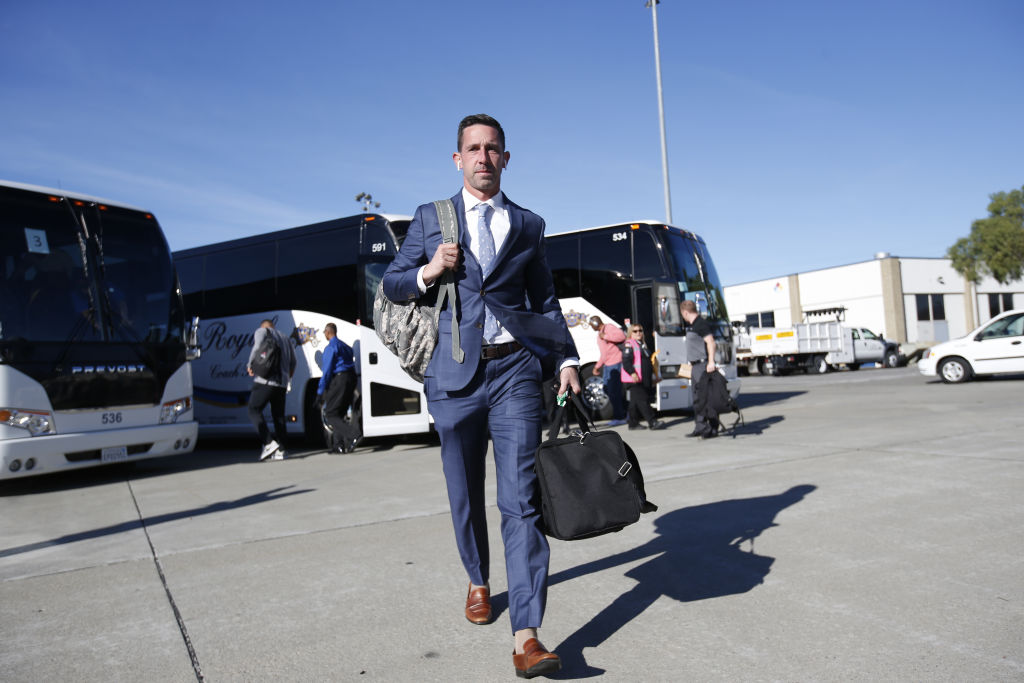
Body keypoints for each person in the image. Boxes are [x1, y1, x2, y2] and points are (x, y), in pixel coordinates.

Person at [381, 114, 580, 679]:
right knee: (464, 490)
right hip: (454, 374)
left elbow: (543, 299)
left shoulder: (528, 224)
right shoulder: (430, 219)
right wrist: (428, 269)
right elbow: (392, 284)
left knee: (521, 499)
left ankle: (527, 635)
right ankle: (477, 577)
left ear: (506, 159)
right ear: (457, 159)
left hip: (515, 370)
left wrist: (565, 359)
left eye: (493, 149)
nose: (483, 158)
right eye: (473, 149)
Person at [247, 319, 296, 461]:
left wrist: (250, 365)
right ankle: (282, 450)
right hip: (281, 384)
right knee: (278, 416)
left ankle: (268, 442)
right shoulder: (286, 338)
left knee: (253, 409)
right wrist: (286, 379)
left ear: (264, 326)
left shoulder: (262, 331)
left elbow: (257, 348)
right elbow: (293, 363)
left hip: (266, 380)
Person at [317, 322, 361, 454]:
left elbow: (327, 371)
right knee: (339, 413)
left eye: (324, 332)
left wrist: (320, 392)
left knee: (330, 414)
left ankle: (354, 434)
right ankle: (339, 446)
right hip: (351, 378)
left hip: (340, 379)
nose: (324, 334)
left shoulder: (331, 347)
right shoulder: (345, 346)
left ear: (328, 332)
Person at [680, 299, 719, 438]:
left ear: (685, 312)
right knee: (697, 398)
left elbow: (711, 343)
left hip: (703, 366)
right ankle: (700, 426)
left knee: (706, 398)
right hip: (695, 366)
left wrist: (710, 362)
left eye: (683, 314)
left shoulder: (700, 324)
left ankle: (712, 427)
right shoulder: (693, 325)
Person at [621, 324, 666, 431]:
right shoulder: (629, 344)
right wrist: (632, 373)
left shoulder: (642, 345)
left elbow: (648, 363)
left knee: (634, 402)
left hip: (642, 378)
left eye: (640, 330)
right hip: (634, 379)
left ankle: (633, 423)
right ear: (630, 333)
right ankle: (652, 422)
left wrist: (653, 377)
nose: (638, 333)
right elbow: (626, 361)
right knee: (643, 400)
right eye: (635, 331)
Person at [589, 316, 627, 426]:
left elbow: (621, 336)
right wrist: (597, 366)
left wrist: (606, 336)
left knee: (614, 391)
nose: (591, 327)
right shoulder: (599, 334)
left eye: (592, 325)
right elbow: (604, 353)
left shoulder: (608, 328)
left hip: (615, 363)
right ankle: (625, 409)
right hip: (607, 365)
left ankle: (620, 416)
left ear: (596, 323)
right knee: (607, 389)